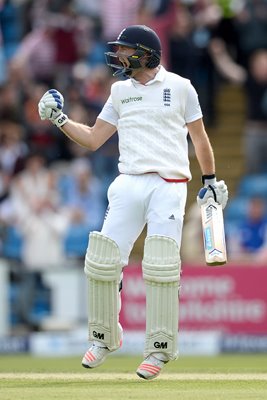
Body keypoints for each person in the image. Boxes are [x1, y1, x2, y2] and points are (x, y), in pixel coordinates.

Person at [38, 25, 228, 380]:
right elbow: (94, 139)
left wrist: (210, 181)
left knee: (160, 264)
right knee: (102, 260)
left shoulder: (181, 87)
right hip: (128, 182)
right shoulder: (120, 91)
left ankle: (158, 349)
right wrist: (60, 119)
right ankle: (104, 338)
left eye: (126, 50)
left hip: (169, 184)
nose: (119, 56)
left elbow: (200, 139)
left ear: (146, 54)